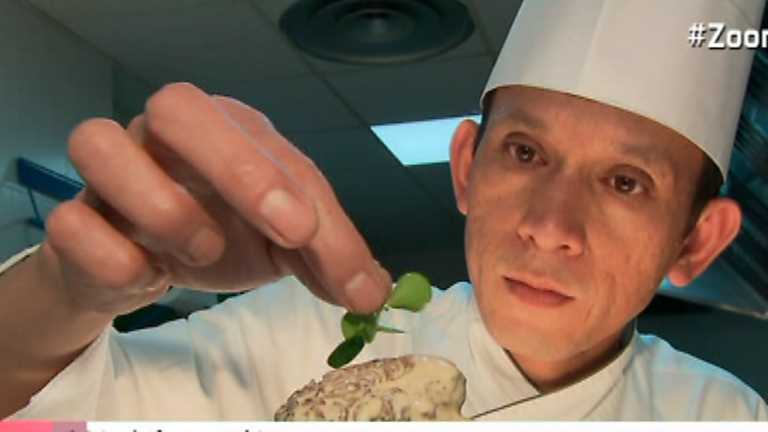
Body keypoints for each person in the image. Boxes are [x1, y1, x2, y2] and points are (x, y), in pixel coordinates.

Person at [1, 0, 766, 420]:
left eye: (626, 182)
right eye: (525, 152)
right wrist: (70, 289)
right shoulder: (307, 333)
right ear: (466, 169)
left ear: (697, 242)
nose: (549, 226)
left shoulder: (719, 415)